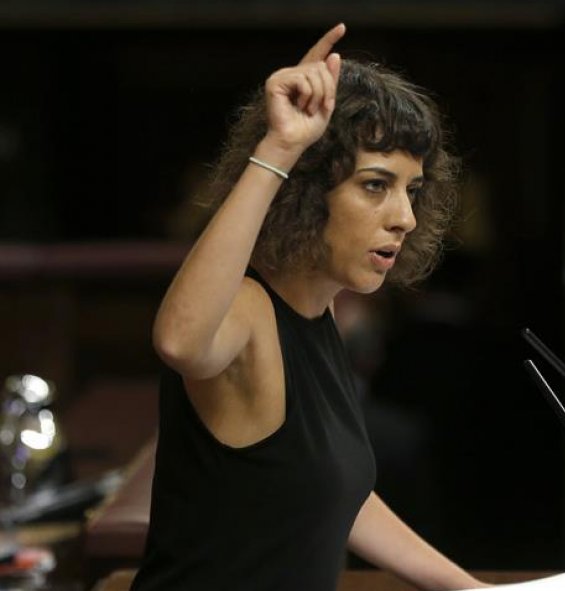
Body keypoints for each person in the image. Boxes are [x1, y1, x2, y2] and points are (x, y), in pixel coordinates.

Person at [131, 25, 487, 591]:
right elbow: (179, 341)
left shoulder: (316, 314)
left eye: (411, 191)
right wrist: (279, 147)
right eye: (376, 186)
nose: (405, 217)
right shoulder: (249, 308)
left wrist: (469, 589)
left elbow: (338, 493)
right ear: (303, 190)